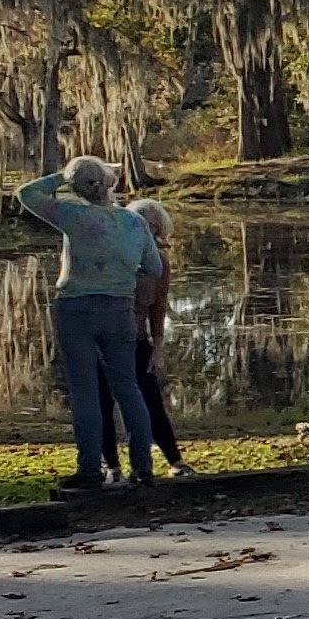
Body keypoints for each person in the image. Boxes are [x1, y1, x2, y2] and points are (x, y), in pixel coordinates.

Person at [16, 157, 157, 491]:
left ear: (76, 187)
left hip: (76, 308)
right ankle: (143, 467)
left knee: (85, 391)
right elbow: (153, 268)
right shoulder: (135, 223)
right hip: (121, 308)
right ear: (109, 183)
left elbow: (26, 194)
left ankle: (90, 470)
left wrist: (62, 177)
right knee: (128, 388)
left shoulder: (74, 216)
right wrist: (133, 297)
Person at [123, 198, 191, 479]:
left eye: (151, 225)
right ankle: (113, 467)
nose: (147, 229)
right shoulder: (118, 257)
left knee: (151, 399)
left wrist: (158, 347)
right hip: (108, 337)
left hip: (138, 339)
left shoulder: (159, 263)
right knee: (104, 401)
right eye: (139, 222)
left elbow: (159, 306)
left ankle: (174, 461)